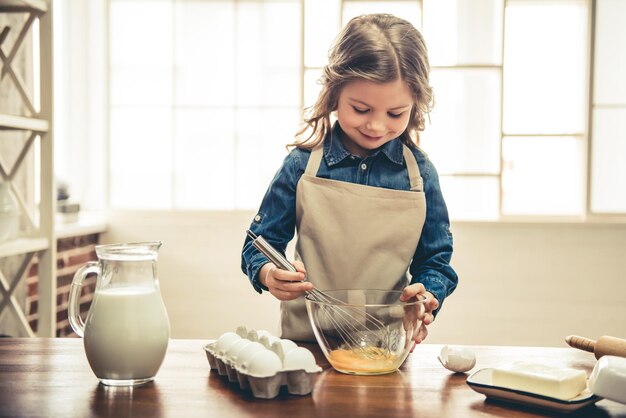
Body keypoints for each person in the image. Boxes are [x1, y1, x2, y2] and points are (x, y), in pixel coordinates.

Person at [241, 13, 458, 344]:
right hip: (306, 343)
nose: (376, 126)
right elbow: (258, 243)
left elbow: (436, 263)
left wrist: (428, 294)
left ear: (415, 104)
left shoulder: (421, 175)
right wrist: (270, 273)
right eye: (361, 109)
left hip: (386, 350)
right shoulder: (301, 166)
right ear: (334, 94)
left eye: (395, 114)